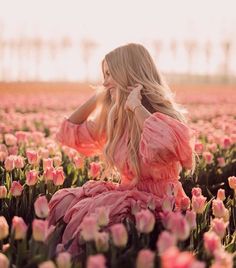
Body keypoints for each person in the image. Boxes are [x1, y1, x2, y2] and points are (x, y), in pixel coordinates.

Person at [48, 43, 196, 256]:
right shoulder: (117, 118)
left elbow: (164, 147)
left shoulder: (166, 116)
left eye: (110, 74)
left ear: (127, 73)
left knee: (96, 216)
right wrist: (99, 96)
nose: (104, 81)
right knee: (68, 202)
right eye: (104, 74)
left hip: (161, 203)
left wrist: (137, 107)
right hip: (127, 195)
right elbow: (68, 131)